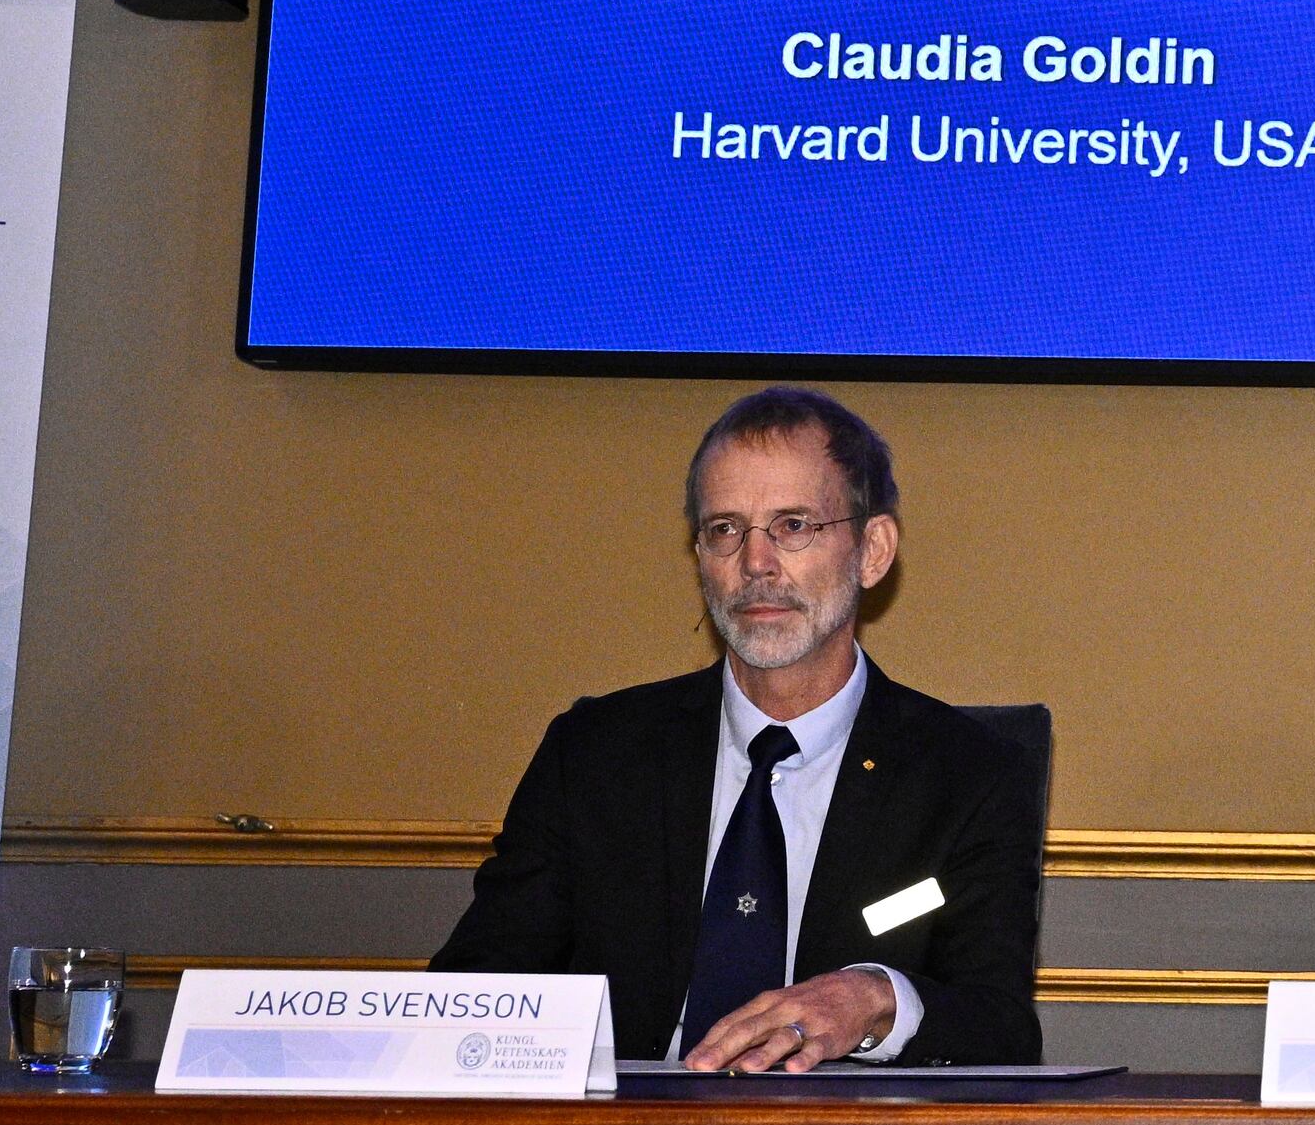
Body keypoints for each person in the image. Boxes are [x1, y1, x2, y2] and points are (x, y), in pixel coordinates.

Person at [433, 386, 1045, 1068]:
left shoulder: (968, 778)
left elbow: (1000, 1029)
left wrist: (874, 1000)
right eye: (726, 528)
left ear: (872, 550)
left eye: (793, 525)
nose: (755, 563)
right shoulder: (597, 756)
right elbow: (473, 992)